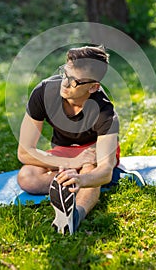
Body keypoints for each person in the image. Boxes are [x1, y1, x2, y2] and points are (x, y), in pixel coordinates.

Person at [17, 45, 120, 234]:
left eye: (74, 81)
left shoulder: (105, 112)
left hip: (94, 149)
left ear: (93, 86)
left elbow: (105, 171)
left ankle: (74, 216)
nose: (65, 83)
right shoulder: (43, 93)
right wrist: (70, 162)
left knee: (90, 169)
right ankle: (66, 185)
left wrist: (82, 178)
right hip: (65, 149)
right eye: (64, 74)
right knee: (27, 177)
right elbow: (24, 151)